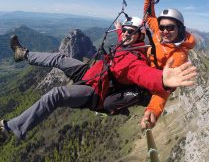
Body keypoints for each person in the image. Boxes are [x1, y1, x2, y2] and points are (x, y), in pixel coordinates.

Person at [0, 17, 197, 144]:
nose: (125, 33)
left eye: (130, 31)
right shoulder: (128, 41)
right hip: (92, 73)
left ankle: (9, 128)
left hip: (96, 92)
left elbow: (143, 75)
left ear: (141, 35)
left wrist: (162, 80)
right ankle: (24, 54)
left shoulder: (134, 61)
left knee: (56, 95)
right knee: (60, 58)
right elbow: (133, 31)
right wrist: (126, 26)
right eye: (125, 30)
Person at [141, 0, 196, 129]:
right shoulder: (159, 33)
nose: (165, 31)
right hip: (142, 70)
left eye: (170, 28)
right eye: (162, 27)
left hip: (151, 84)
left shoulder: (179, 54)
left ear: (179, 28)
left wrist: (154, 110)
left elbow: (166, 86)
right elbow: (148, 16)